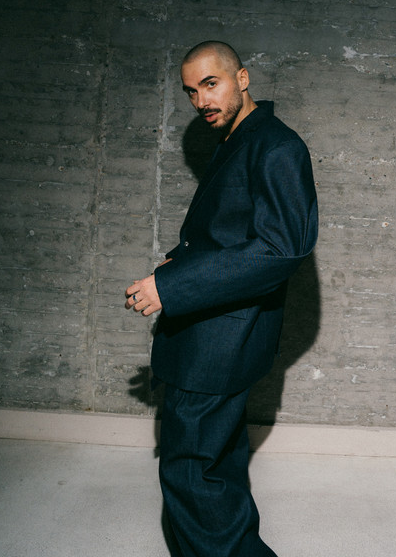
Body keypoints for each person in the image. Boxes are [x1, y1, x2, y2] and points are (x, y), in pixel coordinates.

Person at [125, 41, 318, 557]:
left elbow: (281, 248)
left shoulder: (276, 146)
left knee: (193, 473)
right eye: (191, 91)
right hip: (214, 333)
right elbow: (227, 233)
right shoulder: (237, 138)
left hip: (222, 340)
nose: (201, 101)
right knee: (218, 466)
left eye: (211, 84)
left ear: (243, 78)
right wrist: (175, 265)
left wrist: (172, 288)